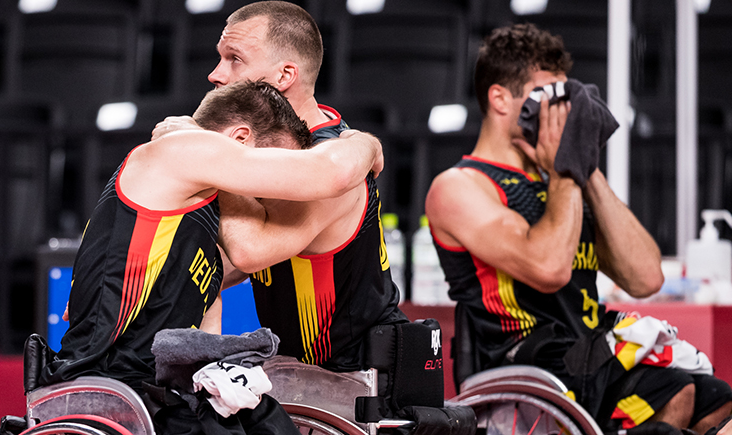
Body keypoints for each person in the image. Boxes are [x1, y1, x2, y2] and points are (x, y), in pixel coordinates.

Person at [425, 23, 732, 433]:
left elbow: (645, 278)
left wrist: (584, 165)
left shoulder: (561, 179)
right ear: (499, 99)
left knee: (717, 401)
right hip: (529, 364)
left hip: (590, 354)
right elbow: (549, 269)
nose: (561, 111)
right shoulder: (460, 186)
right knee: (674, 394)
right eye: (547, 97)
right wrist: (565, 170)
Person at [40, 80, 384, 435]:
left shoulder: (196, 225)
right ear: (239, 140)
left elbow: (201, 342)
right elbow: (332, 173)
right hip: (114, 384)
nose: (272, 195)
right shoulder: (184, 148)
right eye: (277, 160)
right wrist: (365, 143)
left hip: (155, 388)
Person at [158, 1, 407, 372]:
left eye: (234, 59)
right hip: (303, 378)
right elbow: (226, 267)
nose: (215, 74)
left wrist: (207, 152)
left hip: (361, 383)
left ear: (284, 75)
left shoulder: (324, 158)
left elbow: (249, 251)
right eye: (219, 58)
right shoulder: (262, 151)